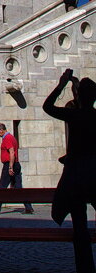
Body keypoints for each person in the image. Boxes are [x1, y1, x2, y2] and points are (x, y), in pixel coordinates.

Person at [43, 69, 96, 273]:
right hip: (93, 173)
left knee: (80, 228)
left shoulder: (74, 115)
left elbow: (47, 106)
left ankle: (85, 268)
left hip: (75, 178)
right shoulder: (92, 116)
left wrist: (62, 84)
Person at [0, 123, 33, 213]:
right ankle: (28, 207)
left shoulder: (7, 138)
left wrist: (10, 167)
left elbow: (11, 152)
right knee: (19, 187)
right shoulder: (11, 137)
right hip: (16, 164)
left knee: (1, 187)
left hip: (10, 165)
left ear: (1, 130)